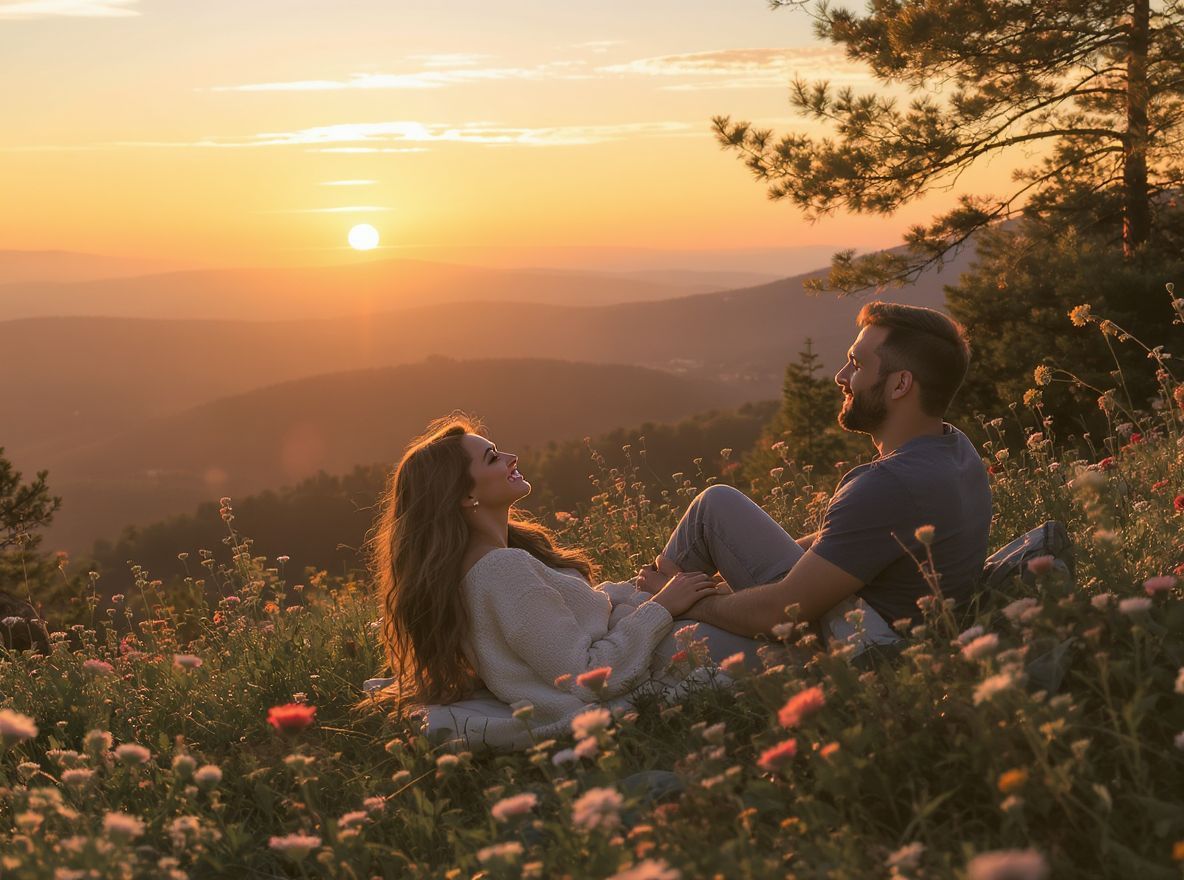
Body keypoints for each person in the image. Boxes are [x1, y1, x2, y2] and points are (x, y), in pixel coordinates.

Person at [368, 412, 732, 745]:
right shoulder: (501, 571)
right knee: (720, 510)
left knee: (715, 513)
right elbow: (588, 675)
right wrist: (662, 606)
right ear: (465, 494)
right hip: (659, 655)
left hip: (642, 629)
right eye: (493, 458)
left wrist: (644, 592)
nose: (512, 457)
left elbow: (565, 624)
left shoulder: (490, 563)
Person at [667, 300, 992, 643]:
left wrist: (690, 604)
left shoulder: (889, 484)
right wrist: (716, 583)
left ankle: (640, 618)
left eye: (856, 364)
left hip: (842, 649)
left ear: (900, 385)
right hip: (875, 627)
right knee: (715, 508)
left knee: (712, 510)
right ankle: (644, 606)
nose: (841, 377)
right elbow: (839, 542)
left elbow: (778, 613)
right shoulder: (955, 450)